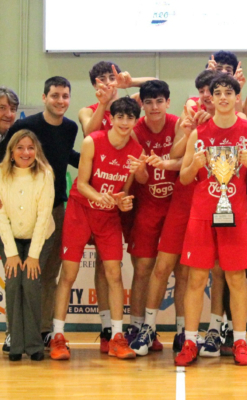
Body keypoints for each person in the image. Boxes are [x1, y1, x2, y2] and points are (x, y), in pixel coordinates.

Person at [175, 73, 247, 367]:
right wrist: (194, 165)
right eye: (218, 93)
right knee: (197, 279)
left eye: (229, 92)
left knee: (236, 279)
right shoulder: (199, 133)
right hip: (202, 215)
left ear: (237, 98)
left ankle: (239, 341)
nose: (223, 97)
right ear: (210, 98)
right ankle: (190, 341)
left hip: (233, 214)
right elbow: (184, 177)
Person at [49, 97, 146, 360]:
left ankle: (117, 337)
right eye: (120, 117)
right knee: (68, 274)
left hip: (108, 216)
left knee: (114, 274)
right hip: (80, 210)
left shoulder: (137, 151)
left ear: (135, 121)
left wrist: (123, 202)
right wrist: (99, 197)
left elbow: (125, 191)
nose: (124, 122)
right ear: (111, 118)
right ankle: (57, 336)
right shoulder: (92, 141)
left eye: (130, 118)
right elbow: (82, 184)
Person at [78, 62, 154, 352]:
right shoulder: (88, 110)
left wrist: (129, 83)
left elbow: (156, 83)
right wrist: (104, 103)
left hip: (129, 193)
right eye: (102, 78)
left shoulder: (130, 105)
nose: (109, 82)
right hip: (100, 196)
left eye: (112, 77)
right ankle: (107, 328)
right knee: (104, 263)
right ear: (93, 83)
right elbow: (90, 132)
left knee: (138, 263)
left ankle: (137, 326)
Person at [5, 77, 79, 349]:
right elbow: (5, 159)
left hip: (54, 210)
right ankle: (14, 332)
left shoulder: (70, 128)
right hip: (18, 211)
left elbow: (65, 155)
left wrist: (98, 162)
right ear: (44, 97)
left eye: (65, 96)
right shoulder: (25, 127)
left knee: (47, 274)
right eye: (55, 95)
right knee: (17, 277)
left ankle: (44, 330)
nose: (60, 101)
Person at [125, 79, 183, 356]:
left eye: (159, 101)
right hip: (147, 205)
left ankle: (183, 331)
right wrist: (141, 170)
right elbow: (141, 177)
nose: (154, 107)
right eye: (148, 102)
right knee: (143, 269)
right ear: (142, 105)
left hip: (176, 206)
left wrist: (168, 162)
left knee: (181, 271)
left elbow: (187, 160)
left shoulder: (180, 124)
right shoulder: (135, 130)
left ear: (168, 102)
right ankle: (138, 328)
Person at [0, 130, 55, 361]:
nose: (26, 152)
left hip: (40, 237)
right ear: (11, 151)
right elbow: (1, 216)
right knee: (13, 282)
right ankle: (15, 342)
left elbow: (43, 217)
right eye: (20, 148)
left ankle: (33, 345)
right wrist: (12, 254)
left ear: (36, 151)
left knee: (31, 283)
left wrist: (33, 256)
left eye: (30, 148)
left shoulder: (45, 174)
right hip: (10, 238)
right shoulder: (1, 174)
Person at [0, 86, 19, 355]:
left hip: (9, 219)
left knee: (12, 277)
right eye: (2, 108)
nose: (8, 114)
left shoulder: (15, 139)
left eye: (12, 109)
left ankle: (13, 332)